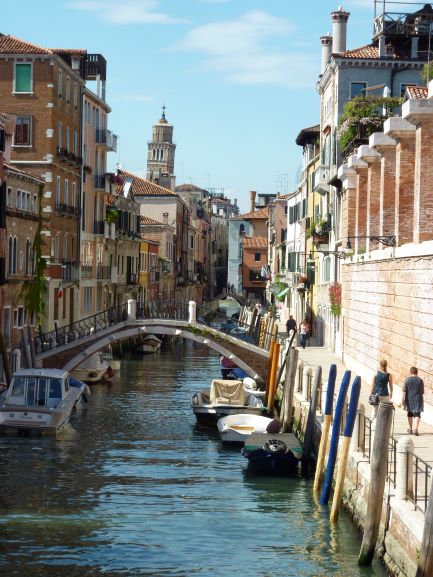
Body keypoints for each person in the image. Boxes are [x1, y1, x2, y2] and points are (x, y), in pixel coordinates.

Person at [402, 366, 424, 436]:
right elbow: (422, 391)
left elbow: (404, 391)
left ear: (410, 372)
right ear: (417, 372)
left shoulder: (407, 379)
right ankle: (416, 429)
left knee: (410, 413)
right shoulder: (420, 380)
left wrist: (402, 399)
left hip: (409, 398)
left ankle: (410, 428)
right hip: (418, 398)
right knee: (417, 414)